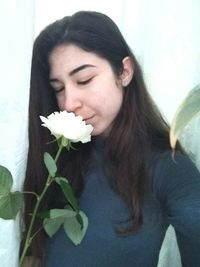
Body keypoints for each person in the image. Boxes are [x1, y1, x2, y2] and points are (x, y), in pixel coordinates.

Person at [23, 10, 200, 267]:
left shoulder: (166, 167)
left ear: (124, 72)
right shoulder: (55, 160)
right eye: (58, 88)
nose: (69, 103)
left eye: (84, 80)